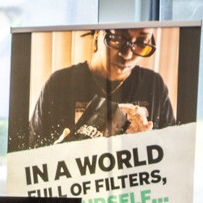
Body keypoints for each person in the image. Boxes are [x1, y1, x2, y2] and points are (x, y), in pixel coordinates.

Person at [28, 29, 176, 147]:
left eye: (142, 43)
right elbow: (32, 151)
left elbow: (172, 154)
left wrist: (147, 143)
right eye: (117, 38)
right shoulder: (60, 84)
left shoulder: (153, 85)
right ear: (98, 35)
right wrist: (57, 153)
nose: (127, 54)